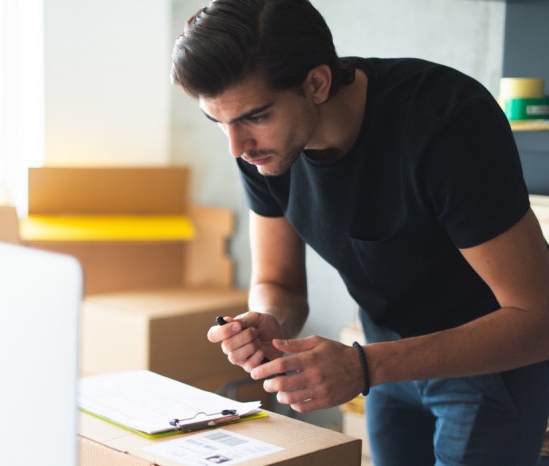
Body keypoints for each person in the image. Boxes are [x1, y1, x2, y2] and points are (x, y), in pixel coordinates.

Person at [171, 1, 549, 465]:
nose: (236, 146)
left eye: (254, 116)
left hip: (487, 364)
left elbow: (539, 317)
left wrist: (364, 366)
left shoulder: (446, 121)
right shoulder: (261, 149)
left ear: (317, 83)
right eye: (218, 122)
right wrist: (271, 321)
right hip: (380, 357)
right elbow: (279, 284)